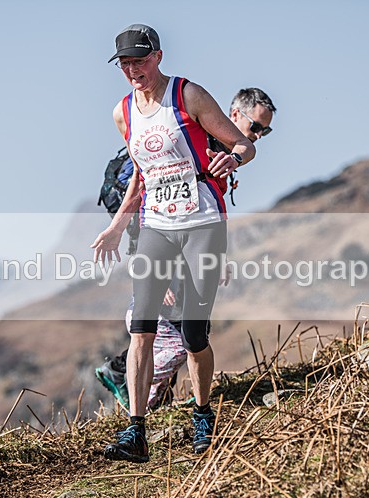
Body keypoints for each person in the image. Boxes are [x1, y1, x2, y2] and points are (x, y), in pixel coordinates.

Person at [92, 24, 256, 463]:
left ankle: (203, 415)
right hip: (156, 226)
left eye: (140, 61)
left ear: (158, 57)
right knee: (140, 329)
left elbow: (242, 143)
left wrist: (233, 156)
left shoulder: (188, 96)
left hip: (202, 223)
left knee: (193, 334)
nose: (133, 71)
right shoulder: (122, 112)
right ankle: (136, 431)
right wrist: (117, 226)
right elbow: (142, 176)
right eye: (125, 64)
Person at [95, 87, 276, 413]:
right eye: (257, 126)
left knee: (186, 329)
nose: (260, 135)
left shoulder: (221, 149)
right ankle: (127, 381)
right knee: (178, 334)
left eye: (266, 130)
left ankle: (160, 395)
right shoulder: (199, 140)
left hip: (188, 241)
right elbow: (151, 195)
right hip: (160, 238)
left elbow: (205, 208)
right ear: (234, 115)